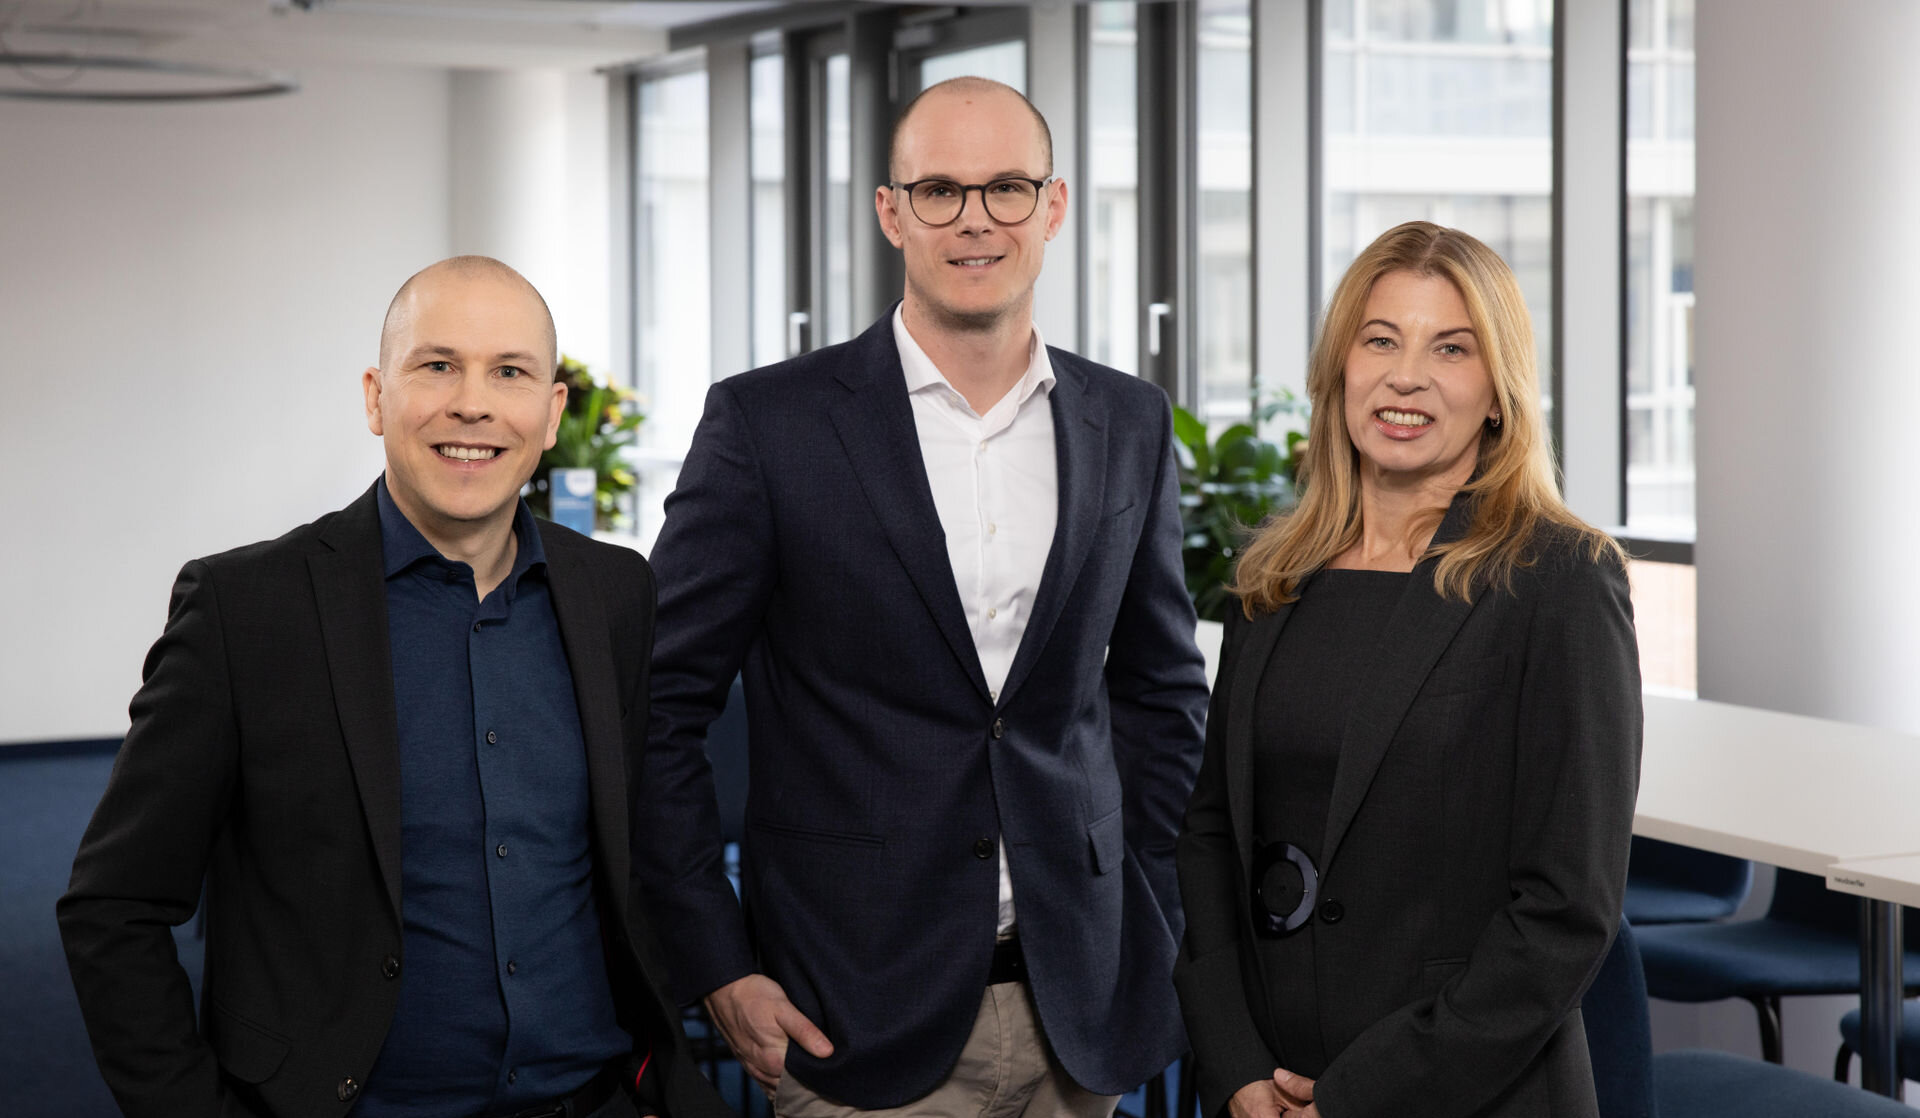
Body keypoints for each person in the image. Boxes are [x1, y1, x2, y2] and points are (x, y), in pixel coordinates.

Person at [637, 77, 1209, 1118]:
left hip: (1077, 1012)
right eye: (940, 189)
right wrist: (716, 960)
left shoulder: (1128, 421)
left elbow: (1163, 698)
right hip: (852, 1014)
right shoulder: (770, 425)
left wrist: (1152, 918)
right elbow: (659, 711)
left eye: (1005, 188)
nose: (976, 218)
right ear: (891, 210)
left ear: (1055, 205)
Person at [58, 257, 732, 1118]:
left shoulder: (615, 593)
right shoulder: (247, 611)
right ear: (376, 397)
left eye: (510, 373)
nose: (474, 404)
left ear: (552, 412)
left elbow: (635, 853)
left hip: (596, 1099)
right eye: (438, 365)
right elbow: (113, 907)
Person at [1173, 221, 1642, 1118]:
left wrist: (1364, 1094)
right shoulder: (1273, 576)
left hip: (1460, 1091)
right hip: (1263, 1087)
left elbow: (1568, 907)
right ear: (1340, 369)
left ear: (1499, 392)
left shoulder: (1559, 580)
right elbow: (1209, 836)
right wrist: (1233, 1062)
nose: (1405, 375)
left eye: (1451, 348)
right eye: (1380, 338)